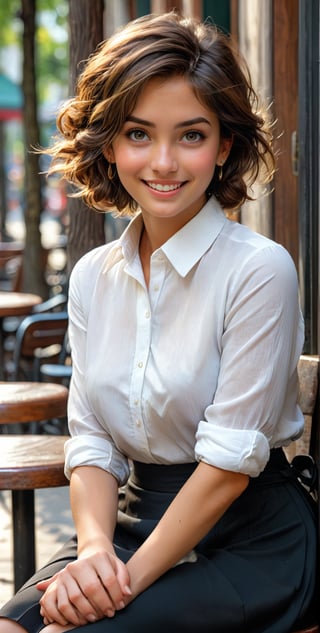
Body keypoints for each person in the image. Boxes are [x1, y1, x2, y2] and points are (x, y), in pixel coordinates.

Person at [0, 11, 317, 633]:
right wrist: (92, 552)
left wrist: (116, 589)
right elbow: (91, 439)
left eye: (191, 135)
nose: (164, 162)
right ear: (110, 142)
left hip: (252, 540)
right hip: (127, 522)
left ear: (224, 145)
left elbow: (227, 469)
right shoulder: (93, 275)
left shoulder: (260, 271)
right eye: (139, 134)